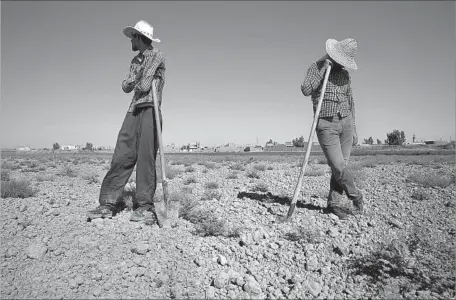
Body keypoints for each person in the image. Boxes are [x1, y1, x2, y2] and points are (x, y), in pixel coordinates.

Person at [87, 20, 166, 223]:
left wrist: (136, 79)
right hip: (133, 110)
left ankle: (144, 206)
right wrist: (136, 78)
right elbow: (125, 86)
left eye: (133, 36)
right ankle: (107, 203)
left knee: (145, 159)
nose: (130, 40)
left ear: (140, 37)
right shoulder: (135, 60)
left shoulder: (157, 55)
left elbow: (145, 85)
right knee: (122, 154)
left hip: (150, 109)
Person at [301, 38, 364, 220]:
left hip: (346, 122)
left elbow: (350, 101)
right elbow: (306, 89)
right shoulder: (316, 67)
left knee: (341, 167)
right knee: (338, 166)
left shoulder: (345, 75)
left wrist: (355, 128)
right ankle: (356, 195)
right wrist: (322, 70)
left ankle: (334, 204)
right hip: (326, 124)